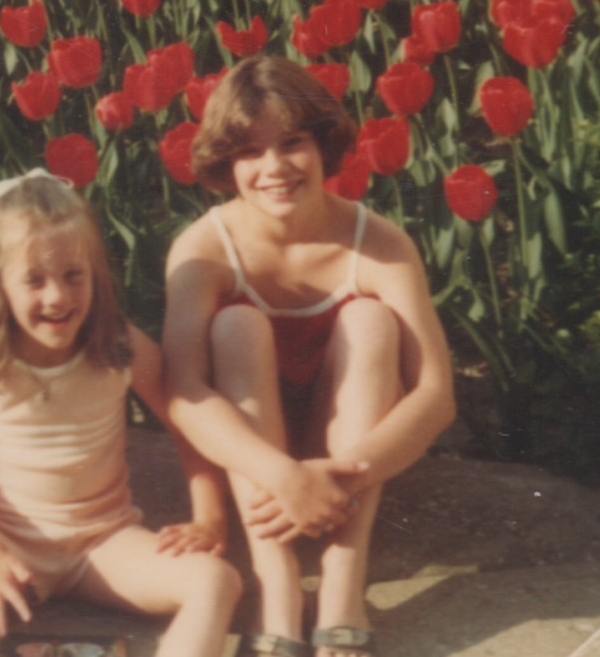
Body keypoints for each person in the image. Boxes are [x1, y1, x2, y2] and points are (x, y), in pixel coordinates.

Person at [0, 172, 240, 657]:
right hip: (9, 540)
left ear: (94, 274)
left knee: (217, 582)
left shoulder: (119, 346)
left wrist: (210, 517)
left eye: (73, 275)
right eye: (34, 279)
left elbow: (187, 421)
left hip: (103, 543)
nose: (57, 297)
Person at [161, 55, 455, 657]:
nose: (273, 168)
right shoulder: (204, 250)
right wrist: (280, 474)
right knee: (237, 326)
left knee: (372, 320)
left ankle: (344, 584)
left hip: (348, 447)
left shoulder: (377, 243)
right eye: (249, 152)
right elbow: (183, 392)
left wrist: (342, 474)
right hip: (254, 455)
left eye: (291, 143)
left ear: (323, 144)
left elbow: (435, 393)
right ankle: (280, 591)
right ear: (226, 163)